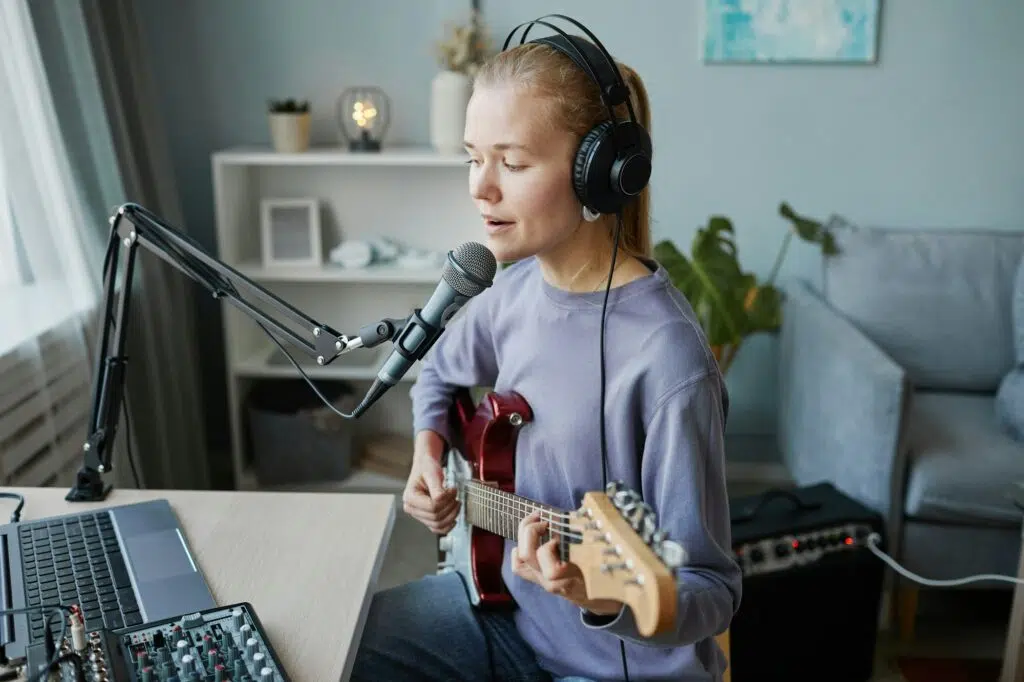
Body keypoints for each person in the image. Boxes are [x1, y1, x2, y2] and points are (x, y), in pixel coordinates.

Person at [350, 17, 742, 682]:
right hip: (508, 619)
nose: (481, 187)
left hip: (616, 669)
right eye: (474, 159)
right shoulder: (512, 293)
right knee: (341, 645)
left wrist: (606, 594)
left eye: (513, 162)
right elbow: (439, 374)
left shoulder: (667, 362)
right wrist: (429, 451)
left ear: (598, 174)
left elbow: (711, 591)